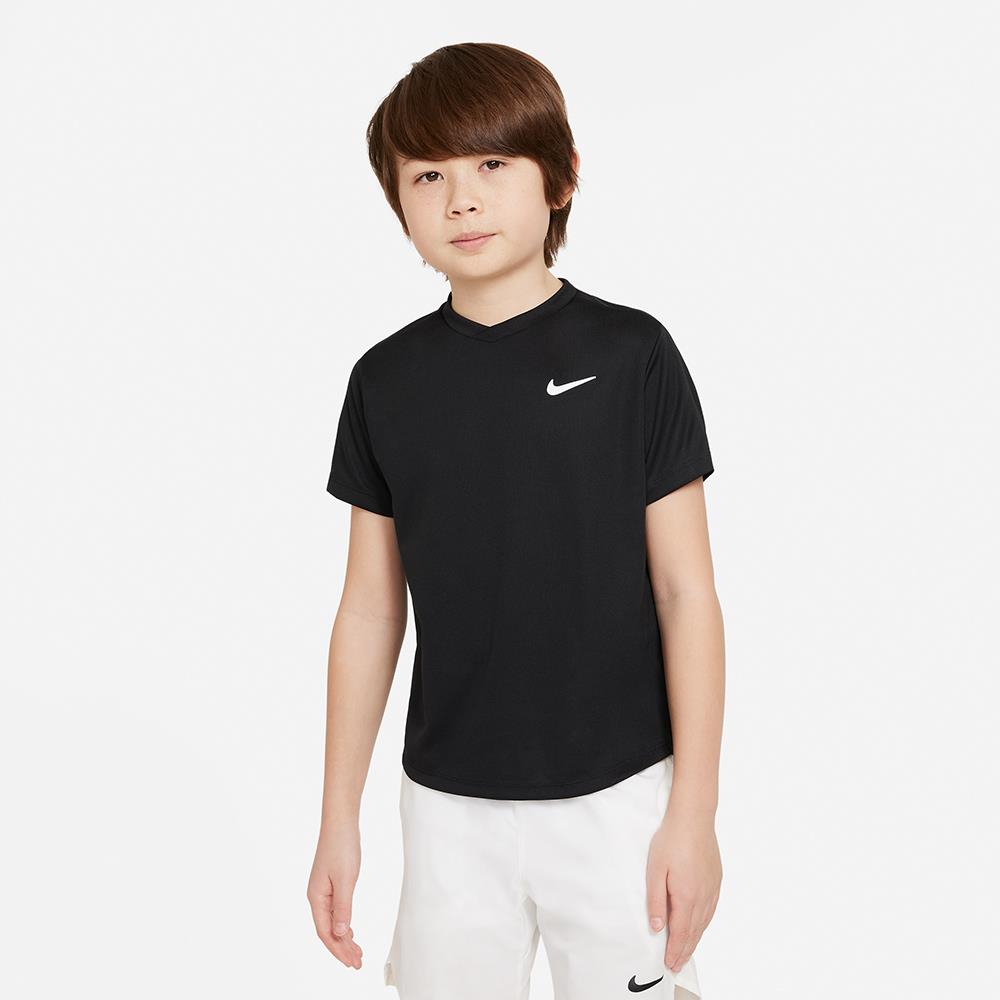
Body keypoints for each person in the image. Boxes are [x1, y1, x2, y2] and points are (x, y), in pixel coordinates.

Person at [307, 41, 725, 1000]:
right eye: (429, 175)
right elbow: (369, 609)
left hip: (621, 797)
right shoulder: (385, 381)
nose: (462, 199)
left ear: (561, 176)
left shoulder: (634, 355)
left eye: (492, 163)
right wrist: (339, 817)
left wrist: (693, 813)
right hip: (447, 807)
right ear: (398, 200)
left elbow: (686, 594)